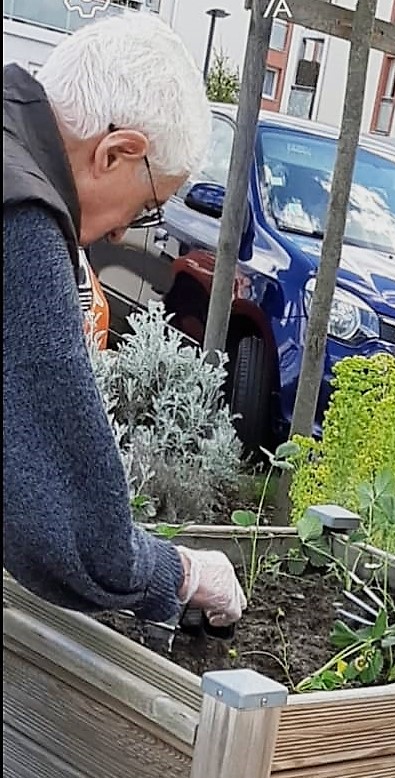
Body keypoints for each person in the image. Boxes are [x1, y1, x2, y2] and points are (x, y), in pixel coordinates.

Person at [3, 15, 245, 628]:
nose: (120, 234)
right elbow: (66, 527)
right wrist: (179, 574)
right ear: (116, 152)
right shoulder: (22, 220)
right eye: (146, 208)